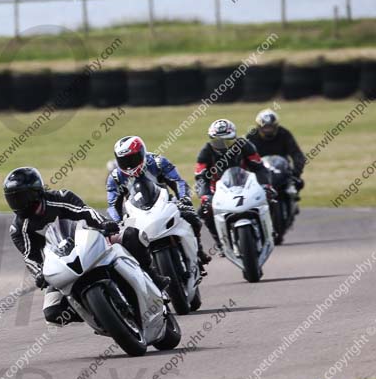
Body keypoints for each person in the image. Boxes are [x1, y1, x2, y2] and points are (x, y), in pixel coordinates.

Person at [3, 167, 169, 325]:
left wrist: (104, 223)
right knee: (51, 313)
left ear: (37, 191)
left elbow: (86, 212)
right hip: (61, 264)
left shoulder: (60, 198)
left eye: (22, 197)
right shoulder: (18, 229)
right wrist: (39, 273)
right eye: (14, 199)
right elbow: (30, 256)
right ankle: (96, 315)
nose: (19, 204)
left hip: (90, 242)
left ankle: (154, 279)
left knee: (133, 235)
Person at [106, 135, 211, 273]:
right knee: (127, 240)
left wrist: (184, 198)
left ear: (142, 153)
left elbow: (178, 181)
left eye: (133, 158)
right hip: (136, 211)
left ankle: (199, 251)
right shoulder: (115, 177)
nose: (129, 164)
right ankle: (145, 271)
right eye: (124, 161)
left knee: (191, 216)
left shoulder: (158, 162)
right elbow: (113, 204)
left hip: (165, 202)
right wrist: (117, 222)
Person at [195, 119, 275, 252]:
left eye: (228, 141)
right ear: (211, 140)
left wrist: (266, 185)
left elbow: (259, 168)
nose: (223, 146)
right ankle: (220, 243)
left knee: (270, 197)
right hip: (219, 190)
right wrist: (205, 196)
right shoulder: (206, 151)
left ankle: (269, 230)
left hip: (246, 185)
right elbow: (200, 177)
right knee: (204, 212)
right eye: (218, 142)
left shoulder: (245, 145)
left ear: (235, 138)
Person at [246, 108, 305, 195]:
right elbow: (244, 156)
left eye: (270, 127)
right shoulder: (251, 137)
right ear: (259, 127)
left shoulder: (284, 134)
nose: (267, 130)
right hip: (260, 173)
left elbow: (297, 154)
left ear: (276, 126)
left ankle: (291, 203)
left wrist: (296, 172)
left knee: (298, 183)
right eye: (265, 127)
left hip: (283, 172)